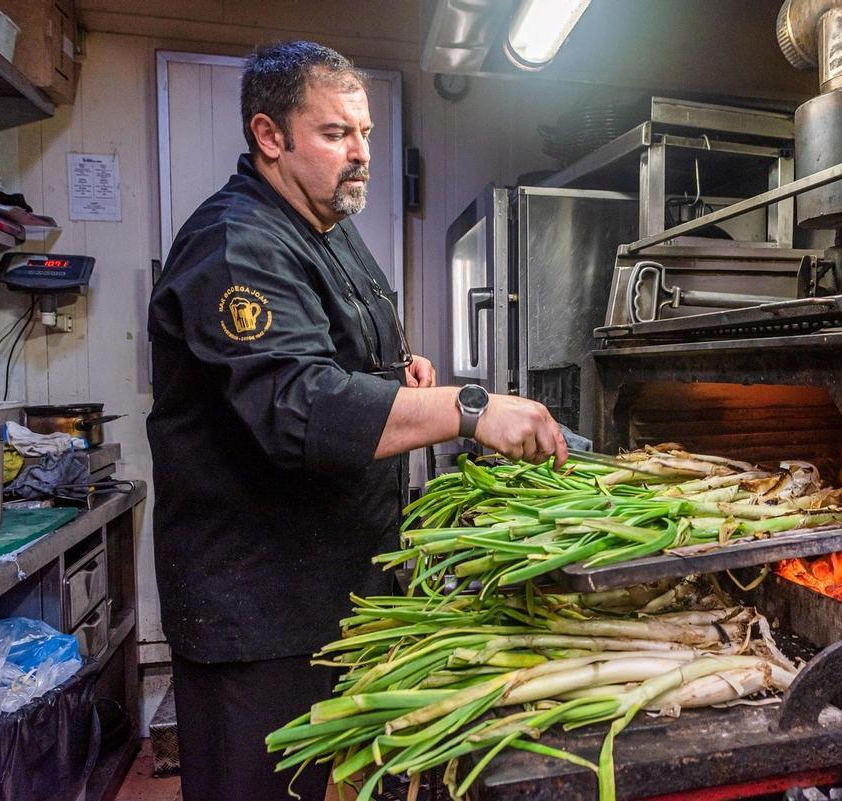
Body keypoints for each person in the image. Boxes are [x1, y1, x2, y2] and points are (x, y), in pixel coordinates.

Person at [146, 40, 566, 801]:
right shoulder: (236, 244)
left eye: (365, 133)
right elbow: (300, 407)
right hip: (263, 613)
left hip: (341, 586)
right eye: (336, 133)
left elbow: (343, 365)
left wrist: (398, 379)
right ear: (270, 137)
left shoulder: (327, 227)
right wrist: (468, 408)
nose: (360, 153)